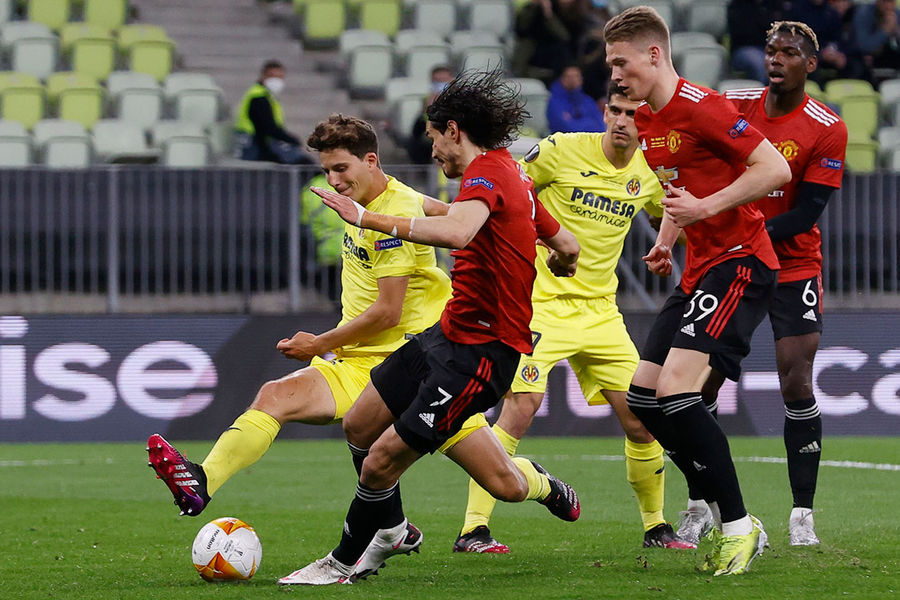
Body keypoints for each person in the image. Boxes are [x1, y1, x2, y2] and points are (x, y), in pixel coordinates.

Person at [277, 69, 582, 586]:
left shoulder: (486, 173)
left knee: (388, 464)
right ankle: (390, 533)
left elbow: (458, 233)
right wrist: (562, 259)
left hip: (482, 353)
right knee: (359, 424)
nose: (433, 151)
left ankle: (341, 563)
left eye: (433, 138)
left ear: (453, 131)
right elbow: (567, 243)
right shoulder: (510, 174)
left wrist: (366, 218)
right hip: (447, 334)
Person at [147, 114, 454, 521]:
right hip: (360, 366)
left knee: (505, 481)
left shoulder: (390, 213)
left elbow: (387, 312)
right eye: (327, 171)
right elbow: (450, 216)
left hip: (413, 366)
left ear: (371, 160)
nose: (333, 181)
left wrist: (319, 344)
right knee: (275, 396)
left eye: (340, 168)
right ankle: (203, 480)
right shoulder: (386, 200)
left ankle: (530, 492)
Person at [454, 82, 692, 554]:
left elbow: (669, 210)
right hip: (540, 304)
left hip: (602, 313)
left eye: (633, 114)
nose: (622, 121)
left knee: (641, 418)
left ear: (647, 122)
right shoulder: (562, 150)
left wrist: (669, 240)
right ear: (604, 112)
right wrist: (540, 239)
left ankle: (656, 526)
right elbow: (510, 190)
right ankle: (473, 528)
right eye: (616, 110)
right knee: (520, 407)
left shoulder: (649, 171)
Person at [604, 6, 792, 575]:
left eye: (621, 62)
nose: (615, 75)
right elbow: (677, 189)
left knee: (677, 391)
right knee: (644, 399)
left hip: (741, 263)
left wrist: (705, 209)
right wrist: (667, 239)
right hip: (697, 270)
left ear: (654, 54)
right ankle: (718, 506)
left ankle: (737, 525)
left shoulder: (704, 106)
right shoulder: (648, 119)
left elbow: (774, 170)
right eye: (610, 64)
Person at [675, 21, 847, 549]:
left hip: (792, 265)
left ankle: (802, 515)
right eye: (771, 50)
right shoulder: (733, 105)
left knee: (796, 381)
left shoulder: (827, 126)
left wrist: (735, 227)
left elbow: (806, 214)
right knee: (697, 386)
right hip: (731, 262)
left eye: (789, 53)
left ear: (810, 65)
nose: (776, 59)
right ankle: (700, 506)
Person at [234, 60, 313, 164]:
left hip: (257, 141)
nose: (276, 80)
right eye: (272, 76)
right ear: (263, 76)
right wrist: (291, 140)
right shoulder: (259, 96)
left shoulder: (267, 96)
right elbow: (267, 126)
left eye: (280, 77)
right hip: (253, 142)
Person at [406, 65, 455, 164]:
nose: (440, 84)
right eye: (437, 81)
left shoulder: (461, 99)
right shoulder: (427, 99)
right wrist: (431, 101)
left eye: (443, 81)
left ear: (451, 81)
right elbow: (423, 122)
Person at [546, 64, 607, 133]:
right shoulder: (555, 101)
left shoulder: (587, 100)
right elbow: (566, 127)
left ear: (581, 79)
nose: (573, 80)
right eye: (569, 76)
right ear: (562, 79)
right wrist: (589, 123)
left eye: (576, 76)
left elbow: (601, 124)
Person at [853, 0, 900, 74]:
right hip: (863, 57)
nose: (888, 6)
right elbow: (863, 46)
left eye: (891, 2)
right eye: (884, 1)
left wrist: (896, 31)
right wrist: (886, 30)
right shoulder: (864, 13)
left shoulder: (897, 14)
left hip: (890, 55)